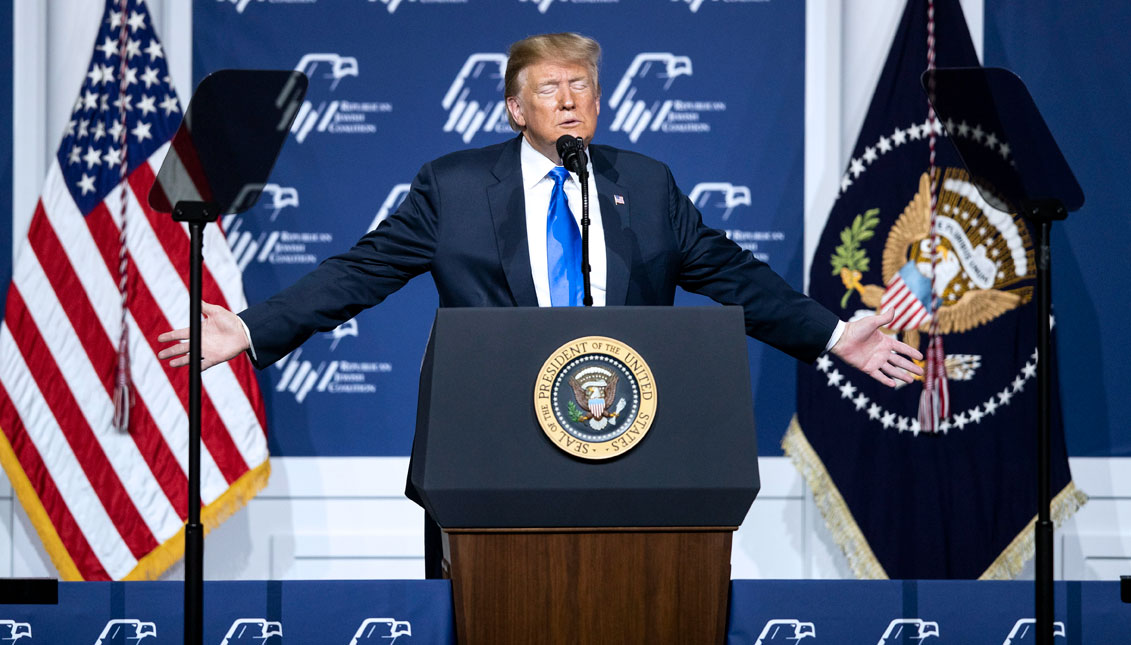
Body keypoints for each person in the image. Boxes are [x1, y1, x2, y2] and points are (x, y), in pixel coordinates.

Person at [158, 33, 922, 577]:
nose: (569, 99)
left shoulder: (645, 184)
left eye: (582, 85)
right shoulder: (453, 188)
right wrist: (254, 326)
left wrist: (831, 333)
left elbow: (727, 271)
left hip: (633, 451)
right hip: (486, 453)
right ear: (514, 109)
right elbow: (363, 270)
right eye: (550, 87)